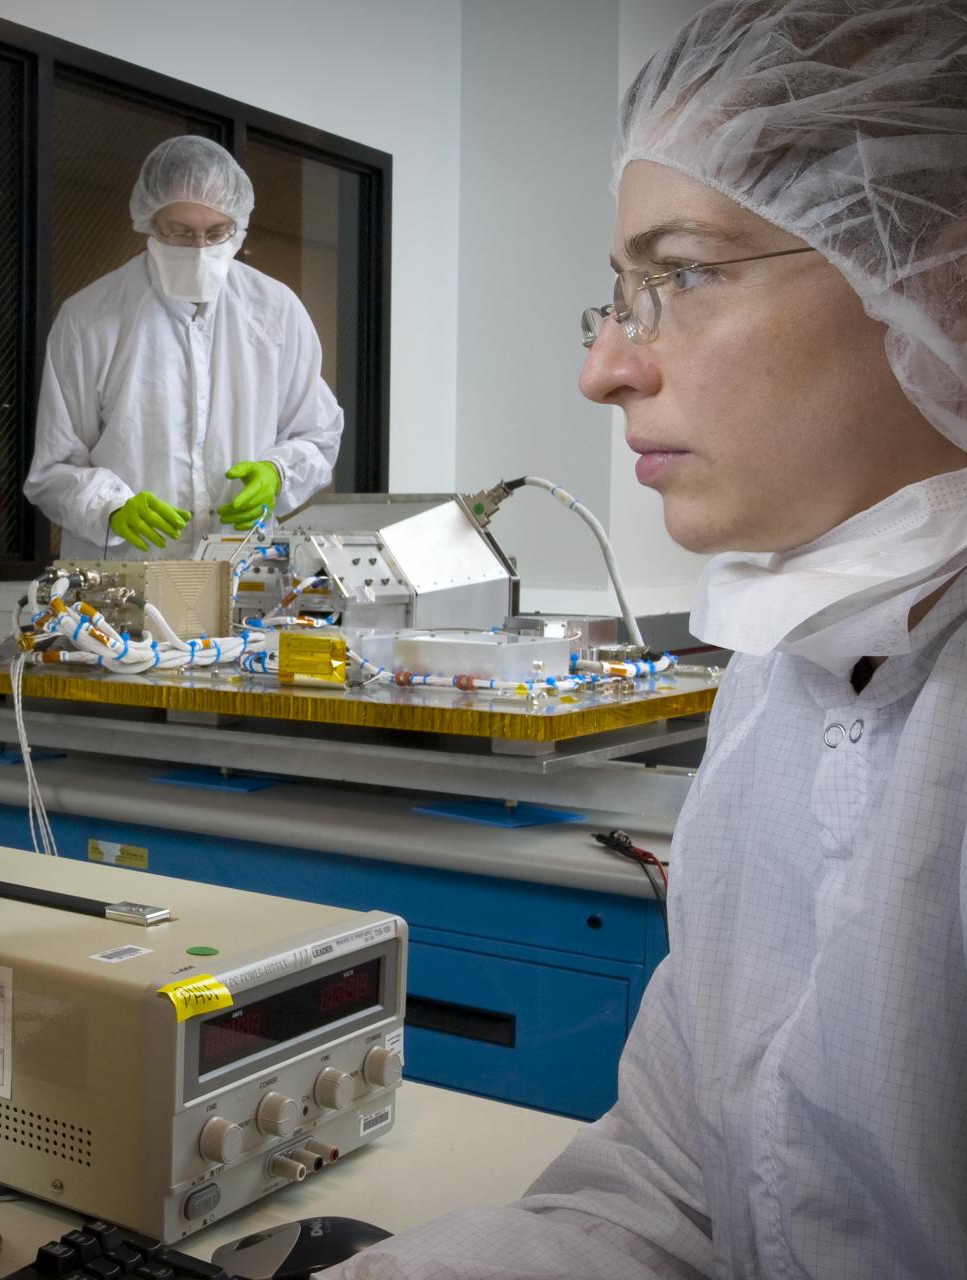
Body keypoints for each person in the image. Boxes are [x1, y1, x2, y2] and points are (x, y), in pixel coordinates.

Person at [327, 2, 967, 1277]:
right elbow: (678, 1189)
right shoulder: (781, 689)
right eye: (615, 296)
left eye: (680, 274)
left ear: (933, 270)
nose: (604, 368)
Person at [23, 135, 344, 559]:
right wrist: (111, 508)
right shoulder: (89, 318)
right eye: (180, 231)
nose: (199, 248)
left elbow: (317, 435)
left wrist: (277, 473)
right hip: (123, 579)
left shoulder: (275, 311)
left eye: (216, 232)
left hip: (239, 572)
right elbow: (53, 468)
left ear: (238, 225)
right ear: (149, 223)